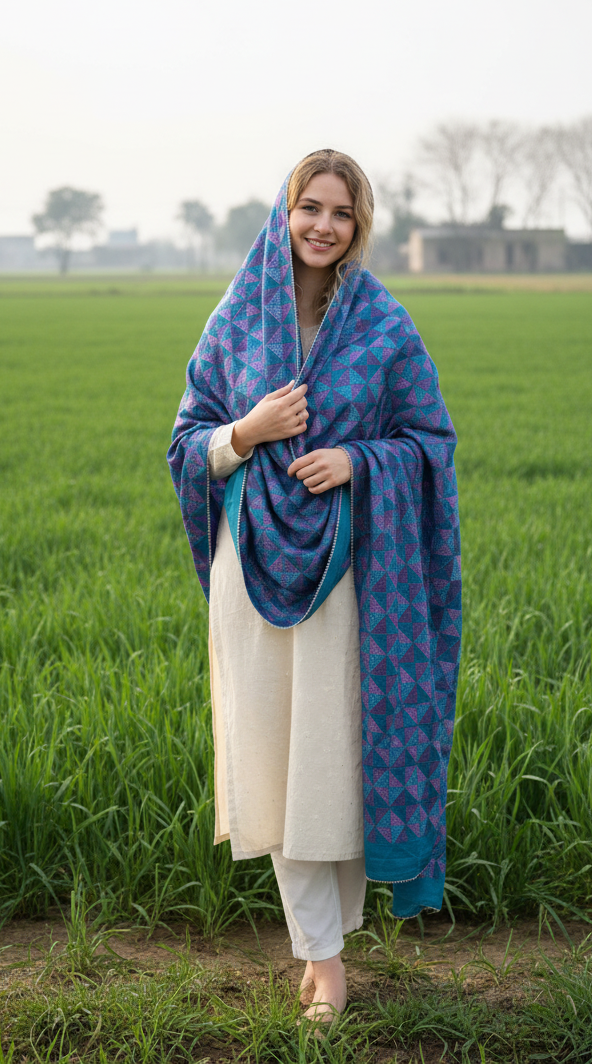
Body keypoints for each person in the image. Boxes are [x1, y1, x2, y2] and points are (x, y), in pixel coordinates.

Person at [168, 149, 461, 1024]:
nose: (324, 226)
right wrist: (248, 431)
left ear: (359, 226)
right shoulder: (237, 317)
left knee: (336, 760)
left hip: (355, 575)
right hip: (254, 571)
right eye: (311, 208)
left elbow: (430, 442)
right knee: (278, 760)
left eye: (342, 212)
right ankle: (323, 959)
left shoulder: (383, 324)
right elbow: (186, 444)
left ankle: (329, 941)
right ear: (284, 213)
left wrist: (358, 462)